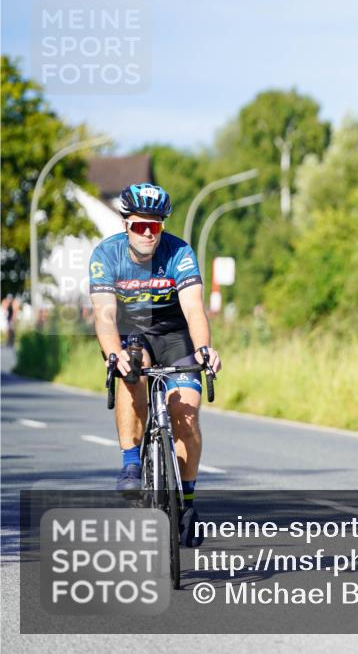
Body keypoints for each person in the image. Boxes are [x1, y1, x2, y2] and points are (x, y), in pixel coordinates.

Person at [88, 183, 222, 546]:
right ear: (126, 225)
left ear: (162, 226)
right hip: (132, 331)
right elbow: (104, 315)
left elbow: (194, 309)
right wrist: (113, 355)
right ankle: (131, 461)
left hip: (175, 332)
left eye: (155, 226)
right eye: (139, 226)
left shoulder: (179, 252)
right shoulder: (107, 253)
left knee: (187, 413)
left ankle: (187, 501)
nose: (148, 233)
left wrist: (204, 349)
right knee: (131, 368)